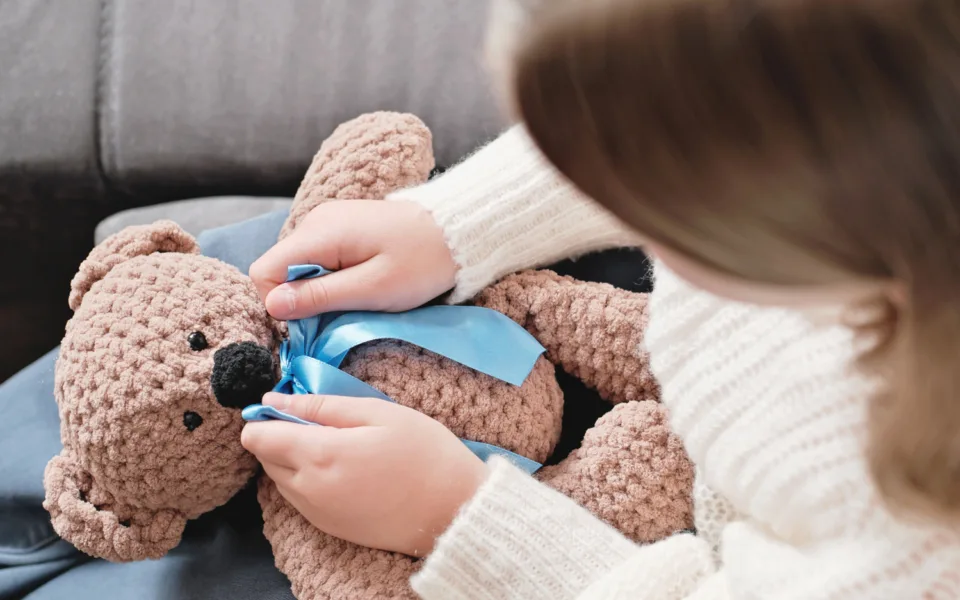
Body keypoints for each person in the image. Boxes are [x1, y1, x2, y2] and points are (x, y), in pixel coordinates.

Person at [241, 0, 960, 597]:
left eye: (646, 195)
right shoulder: (851, 113)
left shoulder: (913, 551)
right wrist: (452, 223)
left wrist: (455, 513)